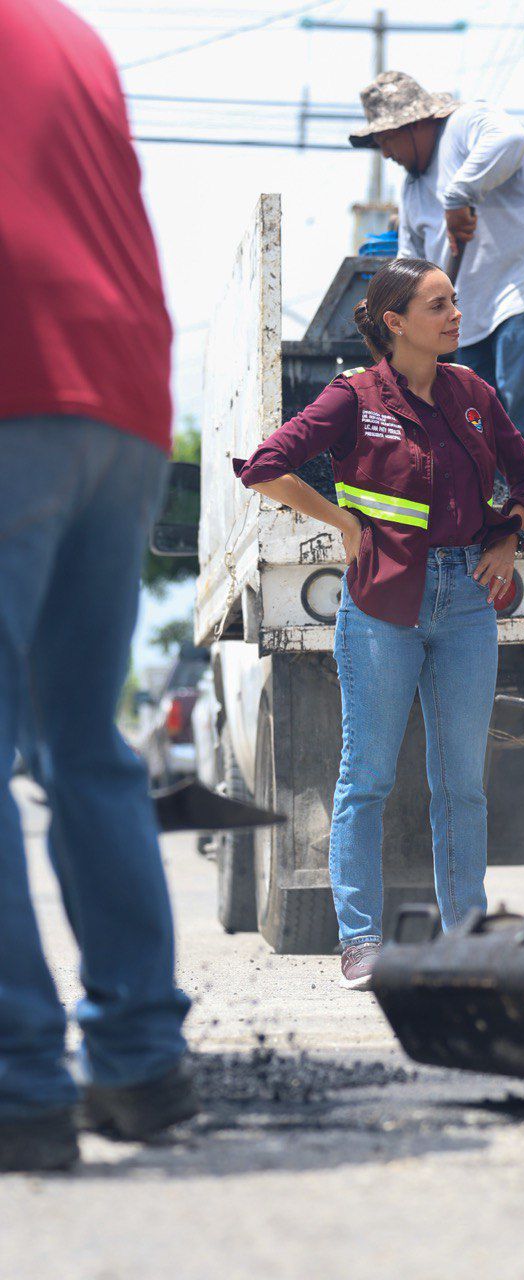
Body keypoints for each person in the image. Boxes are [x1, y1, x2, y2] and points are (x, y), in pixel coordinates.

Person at [234, 259, 524, 990]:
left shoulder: (473, 393)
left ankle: (466, 940)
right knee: (367, 779)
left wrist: (511, 535)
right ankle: (361, 941)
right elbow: (265, 466)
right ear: (395, 322)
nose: (456, 314)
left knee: (461, 785)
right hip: (381, 604)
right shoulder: (353, 397)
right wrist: (341, 520)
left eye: (454, 301)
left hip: (467, 600)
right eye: (438, 305)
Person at [0, 0, 194, 1173]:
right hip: (122, 397)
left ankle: (18, 1077)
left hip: (13, 371)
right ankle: (139, 1059)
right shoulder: (67, 32)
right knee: (82, 742)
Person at [349, 70, 524, 460]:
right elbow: (410, 264)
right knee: (480, 428)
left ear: (413, 124)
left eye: (386, 139)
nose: (386, 153)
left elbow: (510, 140)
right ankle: (503, 499)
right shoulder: (412, 189)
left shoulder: (465, 124)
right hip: (471, 316)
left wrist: (459, 196)